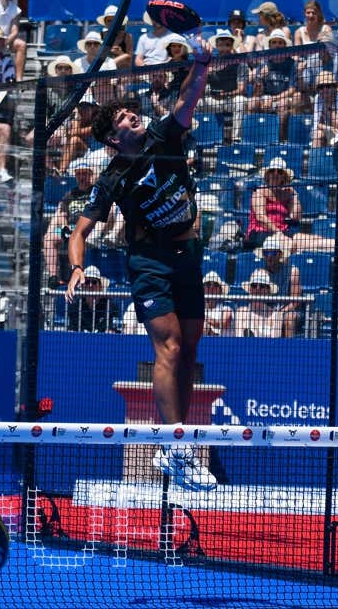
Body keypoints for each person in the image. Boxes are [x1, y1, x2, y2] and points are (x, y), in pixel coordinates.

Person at [68, 33, 217, 491]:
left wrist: (203, 61)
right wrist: (76, 267)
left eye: (134, 112)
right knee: (169, 345)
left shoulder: (165, 135)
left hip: (189, 254)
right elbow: (80, 231)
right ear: (115, 138)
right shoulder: (112, 179)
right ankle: (174, 445)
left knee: (189, 351)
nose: (136, 115)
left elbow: (189, 93)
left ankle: (181, 445)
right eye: (127, 118)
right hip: (149, 263)